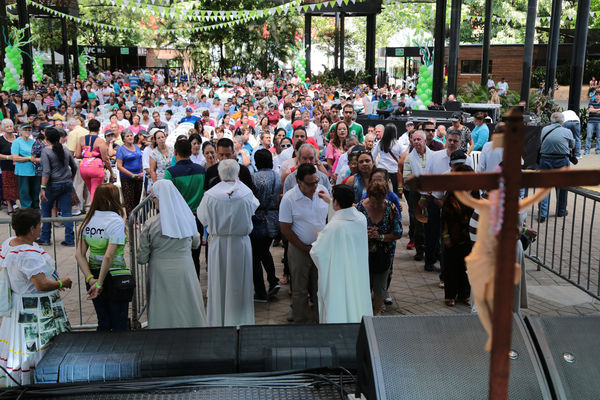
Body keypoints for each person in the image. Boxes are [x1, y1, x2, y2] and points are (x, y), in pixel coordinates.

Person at [0, 208, 72, 386]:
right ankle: (39, 381)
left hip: (19, 305)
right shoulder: (29, 255)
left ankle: (23, 380)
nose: (41, 227)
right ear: (31, 228)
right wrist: (62, 283)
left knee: (21, 345)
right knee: (34, 345)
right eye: (39, 225)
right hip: (34, 309)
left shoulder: (9, 243)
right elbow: (41, 284)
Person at [197, 160, 259, 327]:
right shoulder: (246, 193)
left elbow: (202, 218)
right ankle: (240, 322)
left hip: (219, 244)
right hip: (240, 243)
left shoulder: (210, 195)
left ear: (219, 174)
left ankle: (219, 322)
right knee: (240, 283)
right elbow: (254, 208)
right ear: (237, 174)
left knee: (219, 284)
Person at [137, 180, 207, 329]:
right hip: (184, 267)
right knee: (186, 301)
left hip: (160, 270)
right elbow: (195, 244)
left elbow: (142, 257)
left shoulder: (150, 224)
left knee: (162, 305)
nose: (154, 202)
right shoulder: (188, 219)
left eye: (154, 198)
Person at [310, 185, 372, 323]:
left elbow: (317, 251)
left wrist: (319, 238)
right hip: (357, 268)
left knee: (340, 301)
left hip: (338, 273)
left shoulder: (333, 226)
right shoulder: (361, 218)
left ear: (336, 202)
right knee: (356, 297)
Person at [75, 183, 130, 331]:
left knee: (103, 320)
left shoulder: (88, 220)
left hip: (93, 274)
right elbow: (108, 256)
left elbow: (79, 254)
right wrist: (99, 283)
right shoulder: (116, 221)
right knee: (119, 322)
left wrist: (90, 279)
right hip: (115, 276)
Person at [279, 163, 329, 323]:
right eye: (310, 183)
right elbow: (285, 228)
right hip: (299, 249)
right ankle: (300, 319)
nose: (314, 186)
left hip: (320, 249)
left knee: (320, 286)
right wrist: (304, 248)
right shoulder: (289, 199)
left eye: (316, 181)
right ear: (299, 182)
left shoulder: (322, 191)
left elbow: (328, 217)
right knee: (299, 288)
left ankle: (319, 317)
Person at [356, 180, 402, 315]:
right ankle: (363, 312)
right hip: (363, 255)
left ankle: (377, 312)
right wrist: (365, 235)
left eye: (380, 202)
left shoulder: (391, 208)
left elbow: (398, 233)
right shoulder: (359, 209)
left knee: (380, 287)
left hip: (384, 254)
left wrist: (381, 237)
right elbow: (351, 233)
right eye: (373, 202)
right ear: (368, 196)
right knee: (363, 286)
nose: (376, 205)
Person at [164, 139, 206, 275]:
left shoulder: (170, 173)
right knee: (195, 254)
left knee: (180, 255)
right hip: (197, 217)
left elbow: (166, 196)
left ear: (175, 152)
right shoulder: (201, 170)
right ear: (190, 152)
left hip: (179, 219)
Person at [441, 164, 477, 306]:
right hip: (453, 236)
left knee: (467, 266)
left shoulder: (475, 192)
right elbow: (444, 217)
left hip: (469, 237)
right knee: (451, 267)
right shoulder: (451, 192)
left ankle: (464, 294)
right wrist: (446, 236)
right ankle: (450, 295)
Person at [38, 128, 78, 247]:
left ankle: (45, 238)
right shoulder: (65, 149)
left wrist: (42, 187)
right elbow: (74, 167)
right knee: (66, 212)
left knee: (46, 211)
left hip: (52, 185)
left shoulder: (46, 151)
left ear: (46, 139)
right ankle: (70, 239)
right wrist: (70, 178)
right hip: (66, 183)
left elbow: (46, 171)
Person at [251, 149, 281, 302]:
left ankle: (261, 291)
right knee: (265, 251)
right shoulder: (277, 176)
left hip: (258, 218)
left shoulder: (254, 177)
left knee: (255, 256)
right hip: (273, 218)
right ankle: (273, 280)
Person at [538, 112, 574, 222]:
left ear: (551, 120)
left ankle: (542, 214)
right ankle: (561, 211)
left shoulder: (544, 130)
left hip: (545, 160)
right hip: (561, 160)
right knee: (562, 187)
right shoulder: (567, 131)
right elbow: (572, 146)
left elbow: (541, 142)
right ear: (562, 121)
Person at [76, 119, 113, 200]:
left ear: (88, 128)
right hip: (96, 167)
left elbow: (77, 155)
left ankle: (94, 210)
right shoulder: (100, 141)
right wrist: (111, 172)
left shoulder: (81, 139)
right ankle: (94, 211)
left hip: (84, 167)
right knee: (95, 192)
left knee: (91, 191)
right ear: (99, 129)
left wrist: (87, 155)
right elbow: (105, 159)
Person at [372, 123, 406, 196]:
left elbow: (373, 157)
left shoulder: (380, 143)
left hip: (381, 171)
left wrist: (375, 167)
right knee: (394, 194)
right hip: (395, 171)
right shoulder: (399, 144)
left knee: (381, 192)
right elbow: (404, 158)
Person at [116, 129, 143, 216]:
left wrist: (142, 172)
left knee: (137, 199)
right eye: (127, 136)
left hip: (139, 176)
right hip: (127, 178)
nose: (130, 137)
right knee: (129, 200)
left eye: (131, 135)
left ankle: (136, 218)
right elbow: (119, 166)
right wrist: (132, 175)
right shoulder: (121, 149)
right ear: (123, 139)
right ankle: (131, 220)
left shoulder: (137, 147)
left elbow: (141, 160)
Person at [12, 123, 40, 209]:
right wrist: (28, 158)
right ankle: (26, 211)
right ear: (20, 131)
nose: (28, 131)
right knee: (25, 193)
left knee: (35, 192)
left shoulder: (34, 142)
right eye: (25, 130)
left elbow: (38, 154)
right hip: (23, 171)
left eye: (29, 130)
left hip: (35, 171)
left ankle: (35, 210)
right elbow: (15, 157)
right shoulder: (16, 142)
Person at [0, 119, 18, 213]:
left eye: (11, 126)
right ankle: (10, 207)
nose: (9, 128)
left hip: (19, 167)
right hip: (6, 168)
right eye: (7, 126)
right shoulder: (1, 140)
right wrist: (8, 157)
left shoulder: (18, 138)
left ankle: (17, 206)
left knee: (18, 187)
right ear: (3, 128)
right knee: (8, 187)